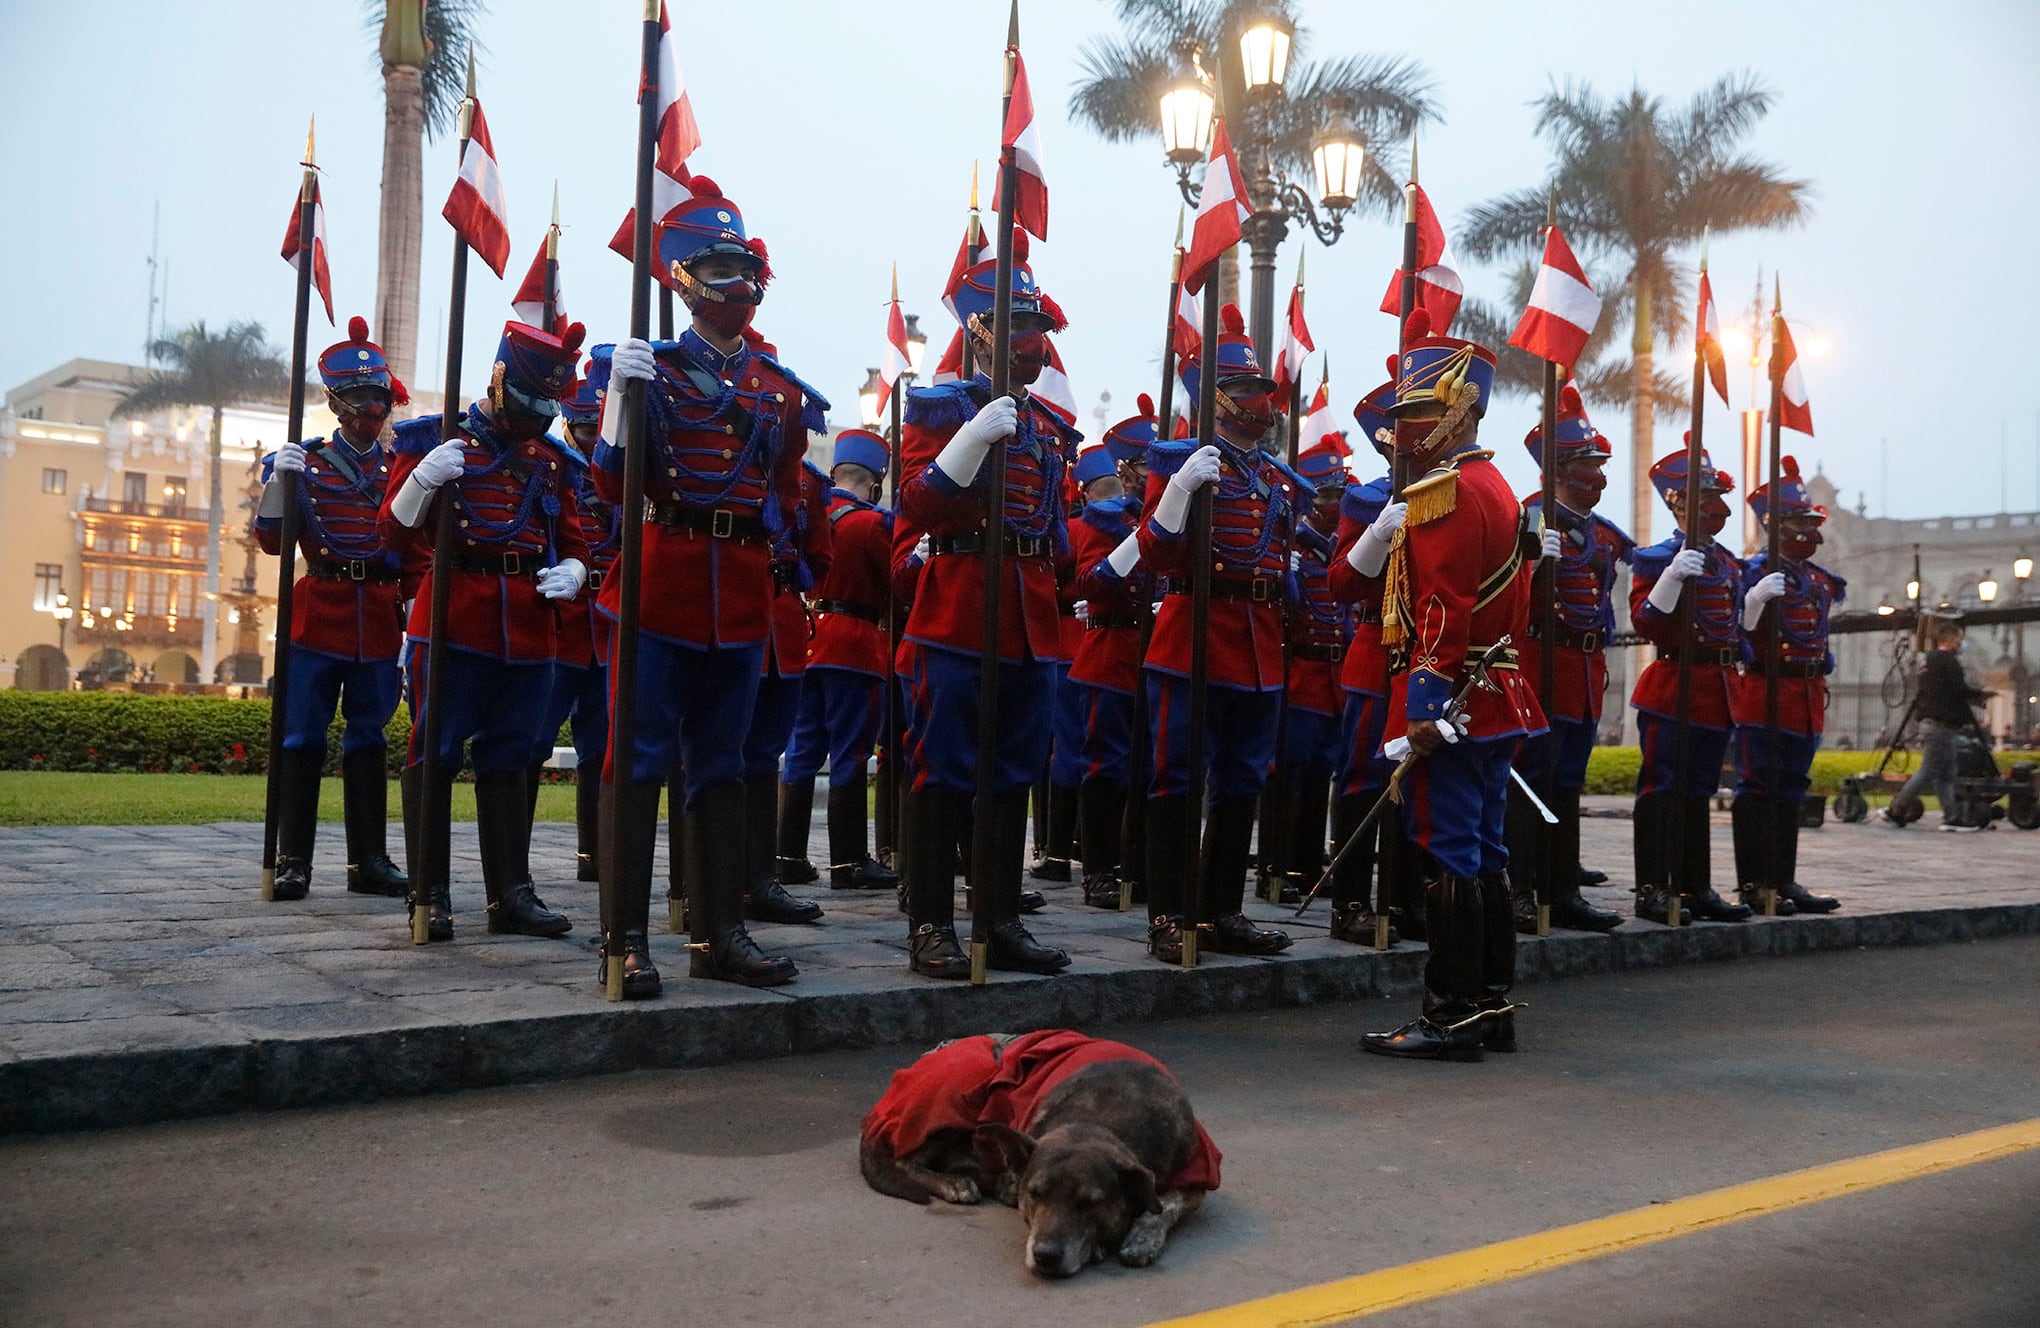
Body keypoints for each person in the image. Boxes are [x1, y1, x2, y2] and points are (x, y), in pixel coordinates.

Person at [590, 177, 824, 995]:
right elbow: (614, 483)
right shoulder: (651, 371)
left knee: (721, 766)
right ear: (683, 280)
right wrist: (621, 403)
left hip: (740, 594)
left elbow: (788, 489)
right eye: (720, 269)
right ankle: (623, 940)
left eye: (745, 268)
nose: (740, 285)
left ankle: (720, 931)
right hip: (663, 586)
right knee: (640, 762)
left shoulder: (776, 388)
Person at [892, 233, 1080, 980]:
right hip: (961, 611)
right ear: (980, 329)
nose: (1037, 343)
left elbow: (1055, 536)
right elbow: (913, 504)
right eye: (1023, 327)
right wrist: (967, 442)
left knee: (1011, 774)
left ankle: (999, 919)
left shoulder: (1045, 428)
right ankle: (932, 925)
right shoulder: (944, 410)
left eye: (1040, 330)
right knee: (942, 772)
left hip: (1031, 617)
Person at [1360, 311, 1542, 1063]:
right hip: (1496, 695)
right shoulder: (1497, 486)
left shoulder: (1447, 492)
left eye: (1418, 412)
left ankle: (1450, 1014)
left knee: (1450, 847)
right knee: (1486, 847)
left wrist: (1426, 708)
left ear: (1459, 410)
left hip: (1455, 695)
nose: (1402, 429)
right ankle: (1491, 1003)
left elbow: (1441, 608)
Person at [380, 319, 591, 945]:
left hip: (527, 627)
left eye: (547, 405)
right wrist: (420, 481)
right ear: (499, 383)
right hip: (454, 622)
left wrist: (575, 571)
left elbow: (575, 541)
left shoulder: (549, 462)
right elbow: (392, 537)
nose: (539, 417)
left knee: (509, 760)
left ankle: (511, 892)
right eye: (529, 401)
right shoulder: (434, 442)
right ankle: (430, 892)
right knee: (435, 755)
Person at [1133, 304, 1298, 965]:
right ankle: (1170, 916)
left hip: (1256, 643)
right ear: (1220, 402)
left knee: (1241, 782)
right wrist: (1176, 493)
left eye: (1264, 392)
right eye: (1250, 393)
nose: (1263, 403)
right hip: (1193, 637)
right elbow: (1154, 554)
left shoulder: (1271, 478)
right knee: (1177, 780)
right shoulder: (1181, 460)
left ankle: (1222, 910)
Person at [255, 315, 412, 903]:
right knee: (301, 740)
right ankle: (292, 860)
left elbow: (408, 544)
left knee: (368, 740)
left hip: (375, 615)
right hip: (317, 614)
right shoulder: (305, 463)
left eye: (378, 396)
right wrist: (278, 482)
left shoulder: (400, 467)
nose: (372, 408)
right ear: (336, 403)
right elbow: (272, 541)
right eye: (360, 398)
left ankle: (369, 861)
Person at [1511, 385, 1630, 934]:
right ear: (1558, 469)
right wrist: (1532, 567)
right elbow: (1505, 597)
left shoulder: (1601, 534)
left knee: (1567, 785)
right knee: (1531, 782)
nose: (1597, 474)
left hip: (1582, 671)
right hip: (1541, 665)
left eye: (1599, 463)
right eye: (1585, 463)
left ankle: (1562, 892)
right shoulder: (1530, 518)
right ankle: (1519, 889)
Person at [1627, 446, 1753, 925]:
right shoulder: (1657, 557)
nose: (1717, 506)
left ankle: (1694, 884)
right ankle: (1653, 888)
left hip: (1715, 690)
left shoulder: (1729, 565)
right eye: (1706, 497)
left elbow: (1733, 626)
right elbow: (1647, 623)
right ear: (1678, 503)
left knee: (1698, 792)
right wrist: (1672, 578)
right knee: (1661, 791)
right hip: (1673, 686)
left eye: (1719, 495)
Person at [778, 429, 901, 891]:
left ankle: (786, 854)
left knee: (803, 750)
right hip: (855, 645)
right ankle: (848, 861)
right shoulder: (872, 525)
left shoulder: (809, 518)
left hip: (809, 641)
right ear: (873, 483)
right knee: (851, 751)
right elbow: (898, 584)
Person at [1731, 457, 1844, 909]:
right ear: (1775, 527)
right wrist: (1755, 601)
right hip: (1766, 693)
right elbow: (1738, 631)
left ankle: (1784, 879)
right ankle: (1755, 884)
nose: (1810, 531)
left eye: (1811, 521)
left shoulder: (1819, 581)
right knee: (1758, 788)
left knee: (1792, 788)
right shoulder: (1752, 573)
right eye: (1799, 521)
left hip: (1806, 694)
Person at [1325, 381, 1409, 944]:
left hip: (1428, 657)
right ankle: (1351, 902)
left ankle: (1406, 899)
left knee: (1415, 784)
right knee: (1361, 781)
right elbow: (1342, 584)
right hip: (1376, 654)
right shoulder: (1365, 499)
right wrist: (1377, 535)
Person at [1066, 403, 1159, 910]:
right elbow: (1091, 581)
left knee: (1150, 767)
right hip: (1110, 652)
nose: (1156, 475)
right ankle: (1100, 870)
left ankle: (1139, 865)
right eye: (1147, 466)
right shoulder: (1104, 519)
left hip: (1157, 652)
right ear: (1124, 470)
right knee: (1107, 766)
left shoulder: (1177, 513)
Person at [526, 373, 617, 884]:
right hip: (562, 621)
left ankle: (595, 854)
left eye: (596, 428)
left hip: (606, 624)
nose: (589, 437)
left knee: (602, 749)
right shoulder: (553, 469)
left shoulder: (621, 467)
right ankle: (513, 860)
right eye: (583, 428)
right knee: (533, 742)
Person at [1260, 431, 1356, 905]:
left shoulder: (1340, 547)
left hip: (1334, 679)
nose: (1338, 502)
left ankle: (1308, 864)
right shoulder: (1293, 544)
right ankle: (1277, 867)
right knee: (1289, 774)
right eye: (1331, 494)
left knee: (1321, 774)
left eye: (1342, 494)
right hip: (1301, 676)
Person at [1879, 618, 1991, 830]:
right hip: (1942, 725)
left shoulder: (1928, 660)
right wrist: (1980, 695)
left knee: (1946, 775)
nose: (1960, 644)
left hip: (1935, 724)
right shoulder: (1947, 661)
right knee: (1929, 771)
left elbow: (1936, 692)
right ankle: (1895, 809)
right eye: (1959, 640)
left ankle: (1952, 817)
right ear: (1949, 640)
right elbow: (1959, 690)